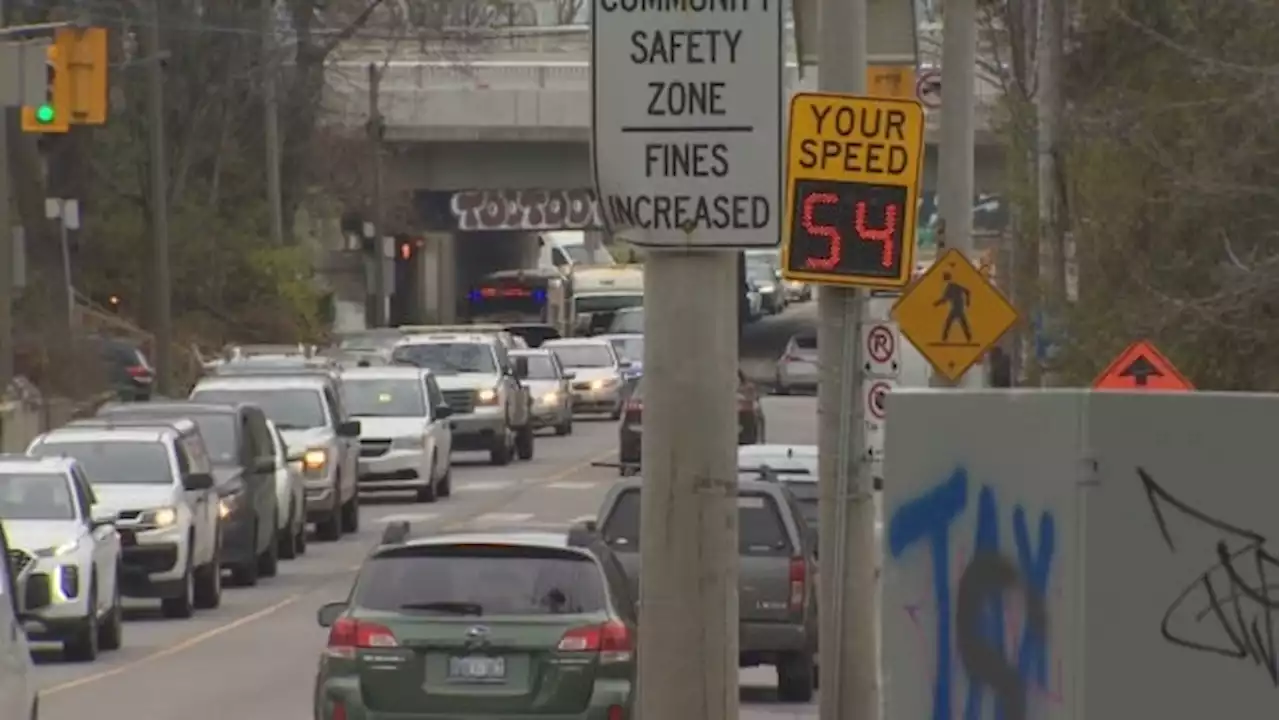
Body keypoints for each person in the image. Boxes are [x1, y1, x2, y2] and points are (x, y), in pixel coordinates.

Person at [935, 272, 972, 343]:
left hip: (957, 308)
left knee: (949, 323)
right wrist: (938, 303)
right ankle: (968, 338)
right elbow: (945, 299)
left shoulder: (953, 286)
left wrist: (968, 301)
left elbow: (967, 291)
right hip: (956, 307)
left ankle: (944, 339)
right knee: (961, 323)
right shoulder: (950, 287)